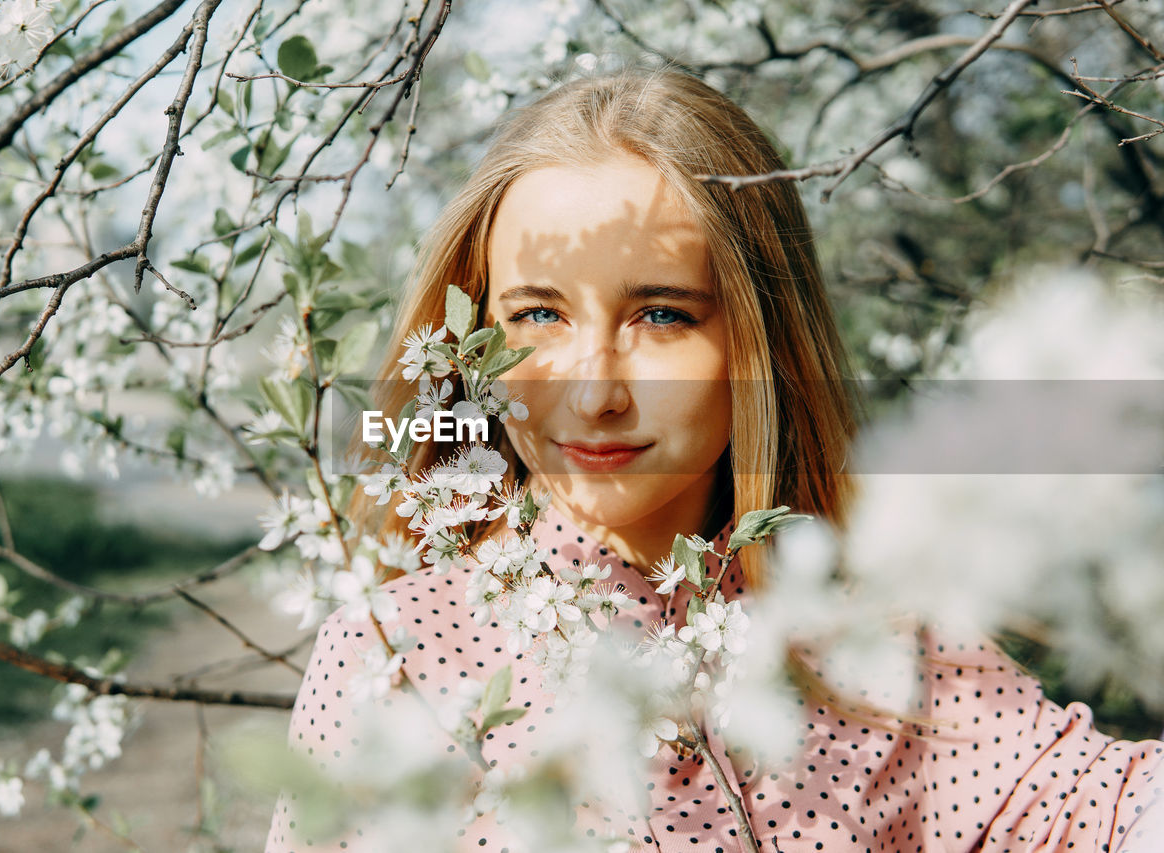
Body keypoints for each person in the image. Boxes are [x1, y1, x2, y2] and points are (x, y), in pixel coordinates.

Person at [266, 66, 1161, 852]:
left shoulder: (883, 639)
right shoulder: (395, 653)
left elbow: (1109, 806)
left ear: (759, 341)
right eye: (537, 316)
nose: (594, 393)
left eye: (661, 315)